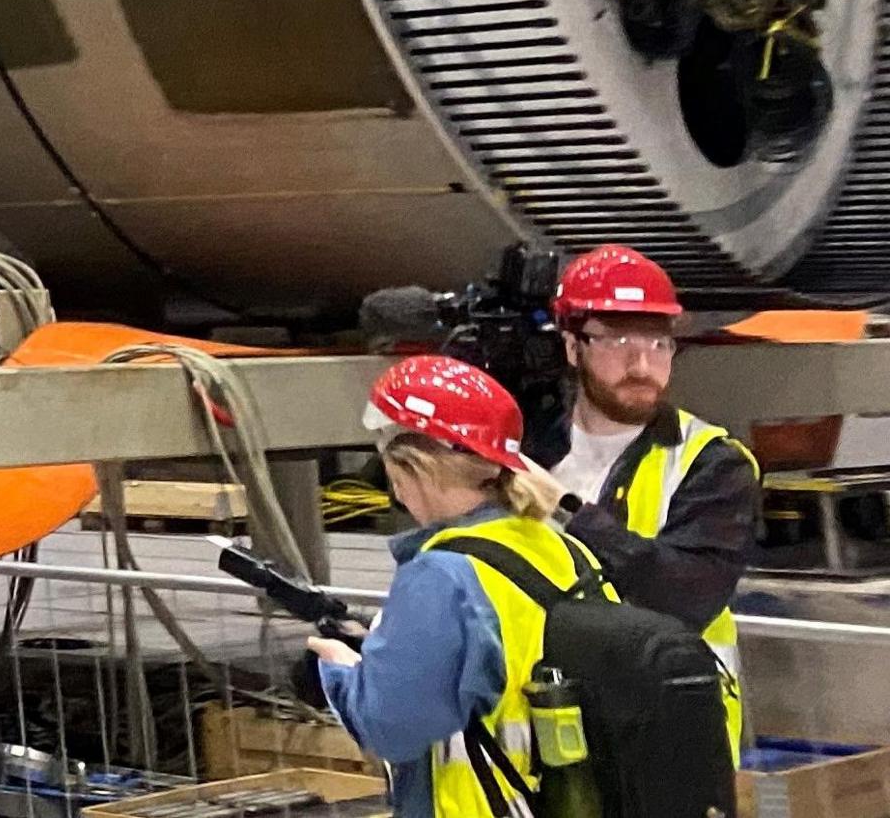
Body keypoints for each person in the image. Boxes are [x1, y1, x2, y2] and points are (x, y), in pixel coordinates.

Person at [312, 356, 596, 817]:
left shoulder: (442, 575)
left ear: (409, 465)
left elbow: (392, 727)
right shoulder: (564, 547)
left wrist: (344, 672)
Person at [532, 243, 755, 737]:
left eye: (658, 345)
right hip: (556, 713)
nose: (642, 365)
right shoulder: (534, 448)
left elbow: (685, 594)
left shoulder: (713, 462)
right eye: (617, 343)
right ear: (573, 346)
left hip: (673, 725)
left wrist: (569, 512)